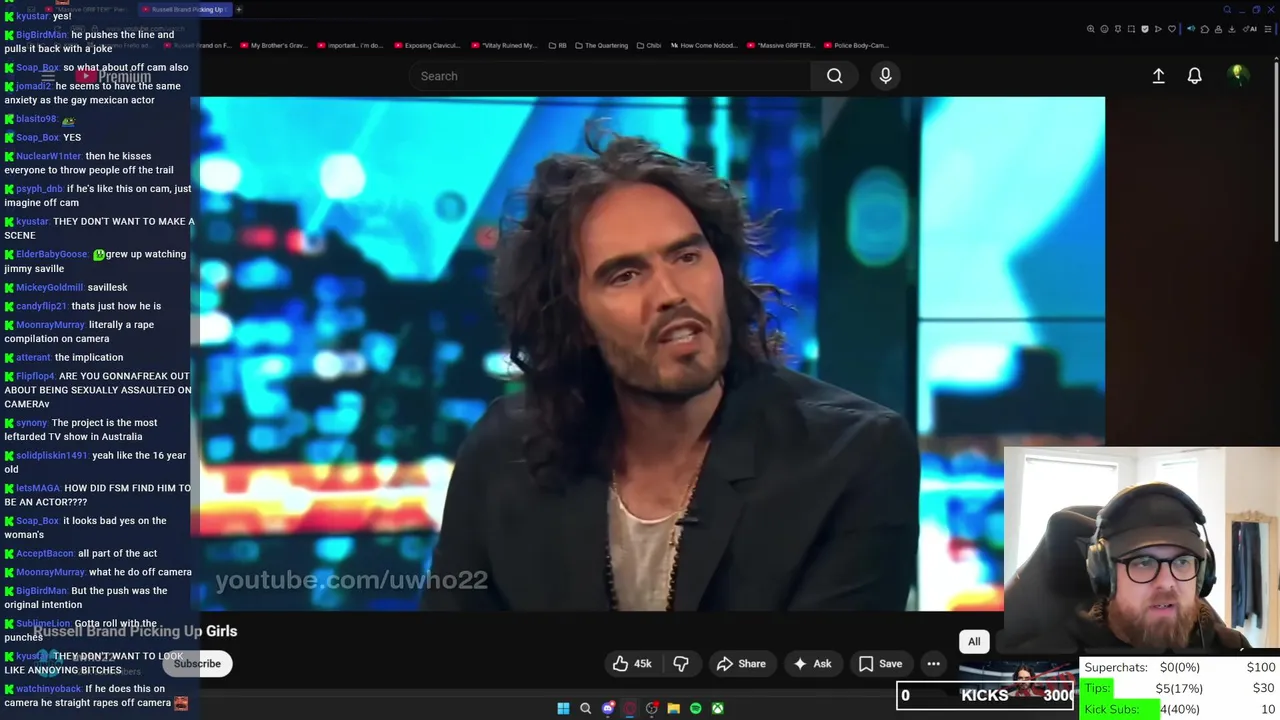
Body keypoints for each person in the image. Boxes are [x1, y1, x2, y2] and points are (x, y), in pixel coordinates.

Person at [422, 125, 920, 611]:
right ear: (575, 320)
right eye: (625, 275)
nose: (671, 293)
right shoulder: (504, 455)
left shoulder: (853, 457)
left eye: (686, 256)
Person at [1003, 483, 1250, 651]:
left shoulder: (1233, 650)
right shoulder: (1046, 668)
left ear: (1203, 576)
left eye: (1182, 562)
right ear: (1104, 575)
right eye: (1143, 563)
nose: (1166, 582)